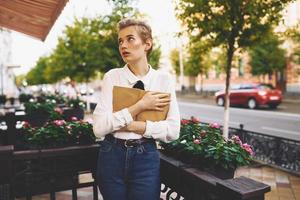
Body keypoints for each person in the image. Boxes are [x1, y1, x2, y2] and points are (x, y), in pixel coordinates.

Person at [93, 18, 180, 200]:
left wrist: (133, 126)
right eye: (120, 41)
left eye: (130, 39)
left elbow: (173, 130)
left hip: (146, 157)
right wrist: (140, 106)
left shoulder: (163, 80)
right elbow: (99, 128)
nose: (123, 45)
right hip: (111, 155)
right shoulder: (112, 77)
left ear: (147, 44)